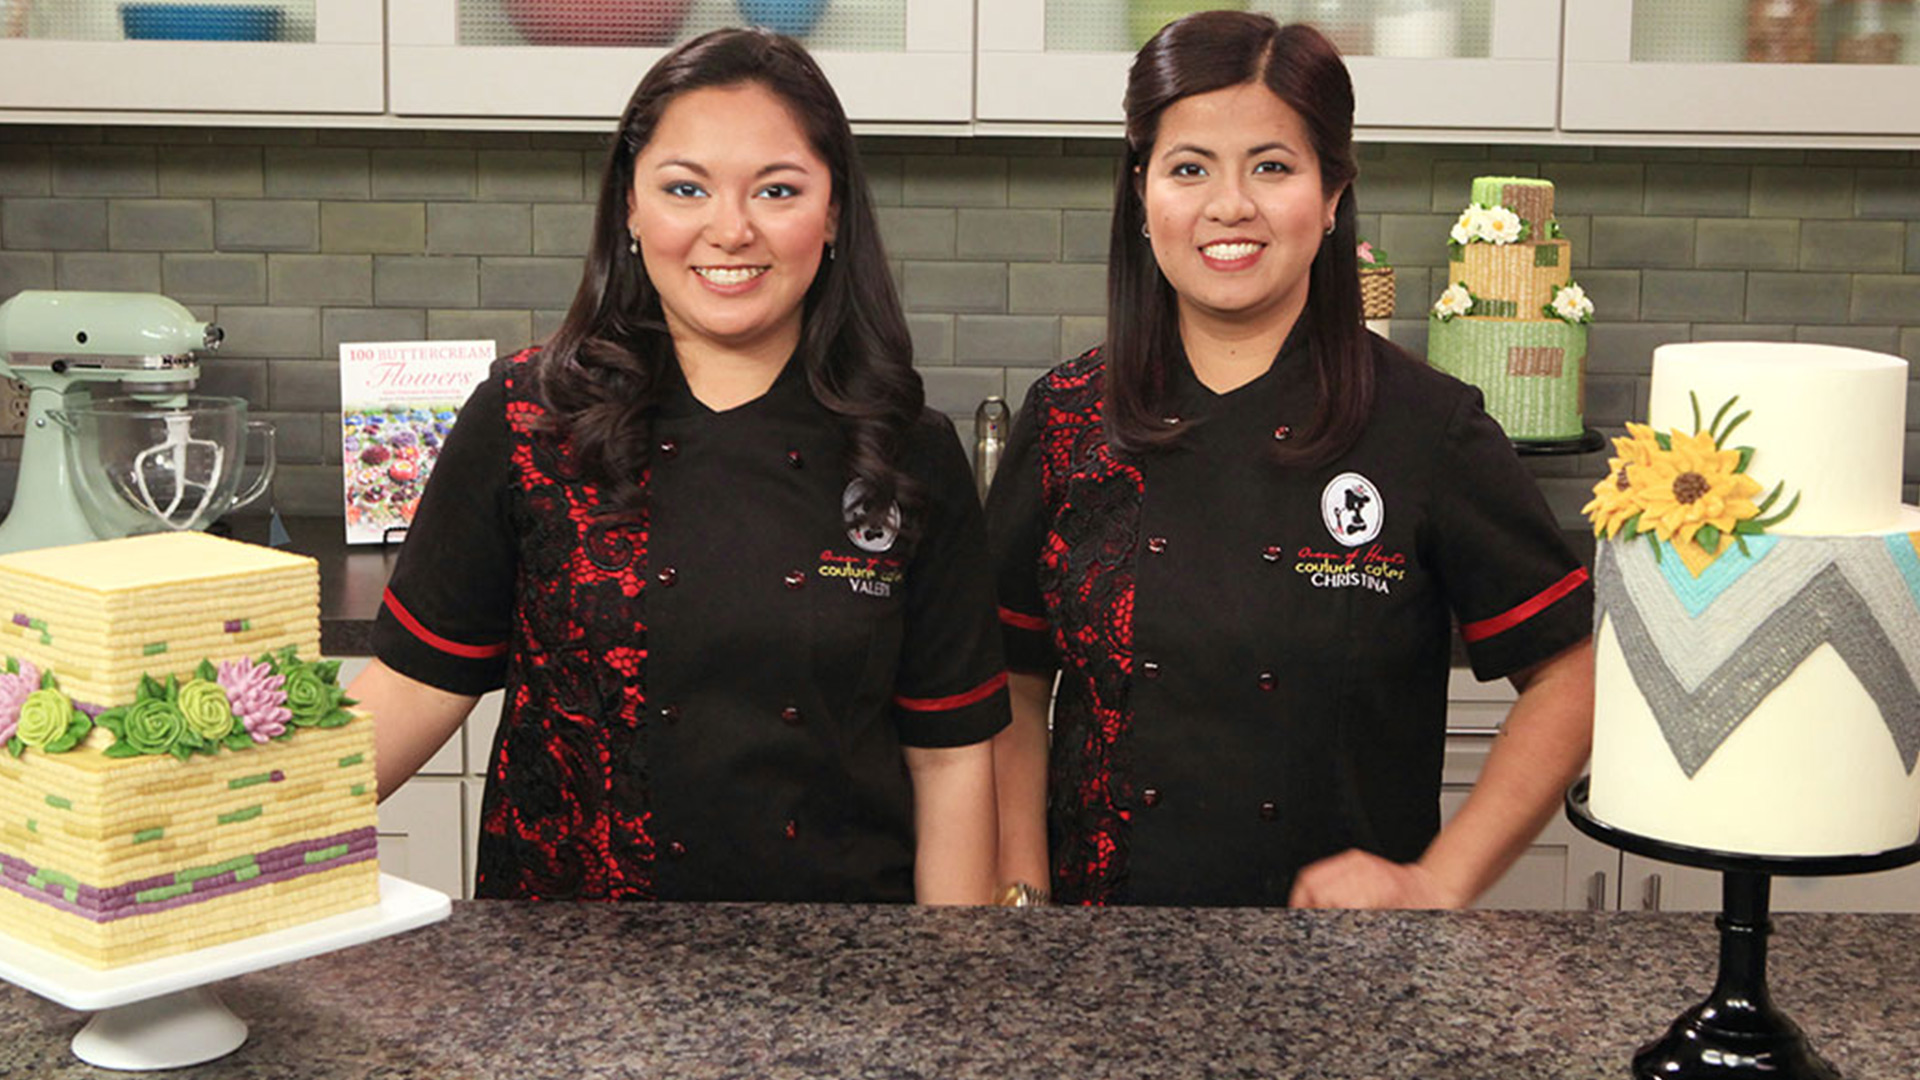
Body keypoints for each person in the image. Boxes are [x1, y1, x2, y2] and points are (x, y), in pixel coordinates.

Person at [351, 27, 1009, 905]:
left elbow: (952, 756)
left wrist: (951, 993)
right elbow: (411, 689)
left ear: (835, 211)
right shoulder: (527, 420)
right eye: (685, 188)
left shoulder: (907, 448)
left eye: (778, 190)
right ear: (630, 205)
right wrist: (189, 856)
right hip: (565, 971)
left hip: (845, 978)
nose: (729, 230)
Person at [986, 12, 1594, 909]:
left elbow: (1571, 669)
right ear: (1142, 191)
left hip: (1344, 972)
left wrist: (1438, 882)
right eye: (1189, 168)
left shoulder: (1428, 428)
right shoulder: (1070, 416)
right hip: (1095, 958)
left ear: (1334, 192)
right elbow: (1010, 672)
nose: (1230, 206)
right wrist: (1021, 895)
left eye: (1273, 166)